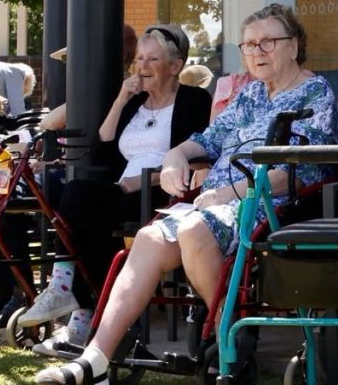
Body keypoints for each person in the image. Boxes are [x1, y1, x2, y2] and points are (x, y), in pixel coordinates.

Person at [35, 4, 338, 385]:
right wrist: (177, 154)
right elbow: (208, 140)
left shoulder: (315, 93)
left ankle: (227, 338)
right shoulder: (250, 94)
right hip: (211, 204)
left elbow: (305, 168)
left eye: (268, 41)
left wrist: (229, 192)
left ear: (294, 45)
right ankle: (95, 362)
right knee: (147, 237)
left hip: (270, 206)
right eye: (249, 44)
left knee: (194, 228)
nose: (257, 51)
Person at [17, 23, 213, 341]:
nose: (142, 66)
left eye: (152, 59)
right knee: (76, 193)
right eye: (139, 59)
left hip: (165, 191)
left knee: (97, 219)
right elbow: (105, 144)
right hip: (122, 188)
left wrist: (138, 182)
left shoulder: (193, 99)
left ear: (176, 66)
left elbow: (192, 158)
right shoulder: (135, 102)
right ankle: (68, 289)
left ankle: (87, 310)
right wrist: (122, 96)